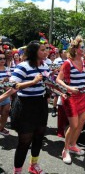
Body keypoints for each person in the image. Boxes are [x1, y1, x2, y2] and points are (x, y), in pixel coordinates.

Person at [10, 40, 50, 174]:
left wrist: (60, 91)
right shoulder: (23, 66)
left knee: (39, 136)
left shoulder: (45, 66)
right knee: (24, 141)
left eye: (46, 49)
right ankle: (17, 171)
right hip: (26, 105)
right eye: (42, 50)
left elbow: (47, 84)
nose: (46, 52)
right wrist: (32, 82)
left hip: (41, 104)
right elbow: (13, 85)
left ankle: (33, 165)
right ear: (34, 52)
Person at [56, 36, 85, 164]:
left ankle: (73, 144)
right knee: (74, 125)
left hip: (82, 96)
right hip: (70, 97)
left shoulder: (82, 62)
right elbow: (58, 80)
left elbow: (83, 78)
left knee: (82, 122)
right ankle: (65, 150)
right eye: (82, 47)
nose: (84, 49)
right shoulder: (68, 63)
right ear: (76, 49)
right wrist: (69, 87)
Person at [0, 51, 12, 136]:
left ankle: (1, 128)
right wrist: (2, 82)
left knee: (6, 112)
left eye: (4, 58)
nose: (2, 60)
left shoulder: (7, 69)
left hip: (6, 93)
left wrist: (8, 83)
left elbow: (10, 82)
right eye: (0, 58)